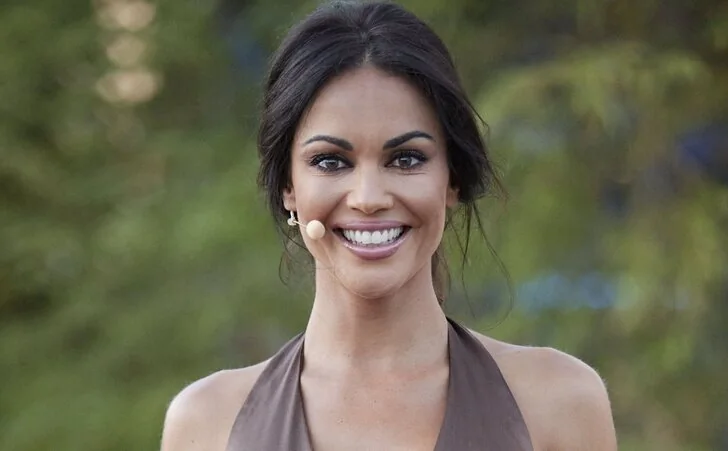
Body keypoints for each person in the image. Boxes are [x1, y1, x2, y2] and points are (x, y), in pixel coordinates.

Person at [160, 1, 618, 450]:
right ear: (288, 187)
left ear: (452, 180)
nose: (368, 198)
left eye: (406, 158)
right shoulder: (209, 423)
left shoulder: (558, 403)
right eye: (330, 161)